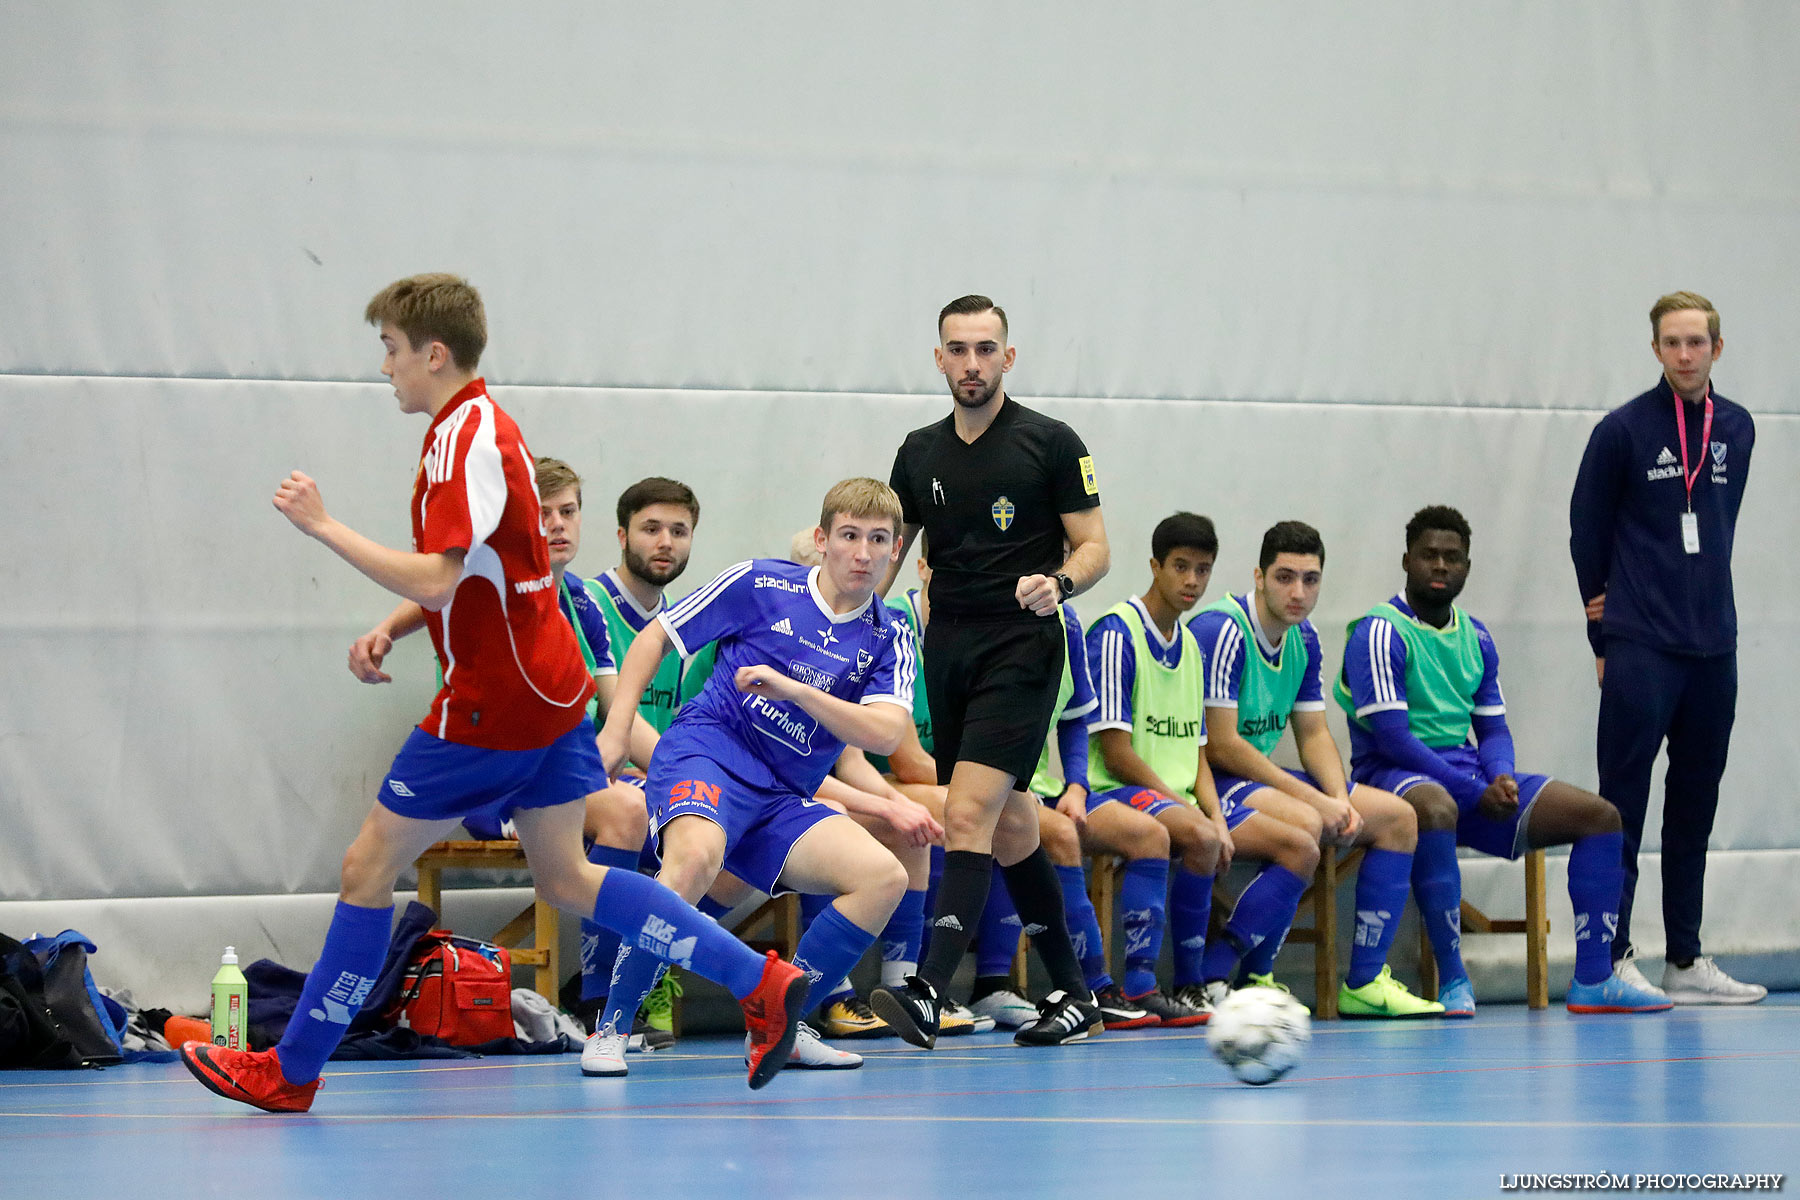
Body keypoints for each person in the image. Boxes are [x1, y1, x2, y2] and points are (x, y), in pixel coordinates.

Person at [179, 274, 805, 1112]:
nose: (386, 369)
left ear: (434, 354)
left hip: (497, 701)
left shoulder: (463, 440)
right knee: (570, 878)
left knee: (366, 869)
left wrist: (323, 526)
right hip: (550, 687)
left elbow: (441, 576)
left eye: (392, 352)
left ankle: (289, 1073)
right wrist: (397, 629)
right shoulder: (476, 428)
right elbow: (486, 571)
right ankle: (759, 981)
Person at [590, 479, 919, 1076]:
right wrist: (617, 730)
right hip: (707, 754)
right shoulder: (761, 583)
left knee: (882, 877)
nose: (863, 554)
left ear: (895, 551)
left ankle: (783, 1026)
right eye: (849, 536)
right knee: (694, 860)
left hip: (784, 794)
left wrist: (795, 690)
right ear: (822, 541)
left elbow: (886, 734)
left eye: (878, 540)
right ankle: (611, 1026)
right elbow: (656, 638)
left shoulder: (889, 636)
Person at [347, 458, 667, 1039]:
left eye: (567, 512)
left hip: (550, 774)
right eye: (541, 514)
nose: (556, 526)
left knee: (641, 807)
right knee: (364, 869)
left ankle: (605, 995)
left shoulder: (581, 603)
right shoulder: (489, 581)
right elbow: (431, 592)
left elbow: (620, 714)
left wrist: (681, 772)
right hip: (484, 778)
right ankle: (610, 997)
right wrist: (384, 634)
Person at [873, 295, 1111, 1049]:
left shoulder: (1050, 442)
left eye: (985, 349)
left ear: (1008, 357)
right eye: (957, 349)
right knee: (1010, 826)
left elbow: (1096, 546)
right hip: (948, 649)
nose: (971, 363)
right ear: (938, 358)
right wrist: (855, 627)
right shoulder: (918, 452)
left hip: (1023, 644)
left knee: (967, 813)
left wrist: (1061, 584)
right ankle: (1077, 997)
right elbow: (892, 551)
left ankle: (925, 989)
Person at [1337, 505, 1670, 1015]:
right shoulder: (1379, 632)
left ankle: (1594, 979)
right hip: (1394, 778)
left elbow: (1492, 728)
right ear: (1406, 560)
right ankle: (1453, 980)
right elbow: (1393, 739)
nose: (1441, 566)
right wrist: (1476, 791)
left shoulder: (1477, 636)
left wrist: (1502, 778)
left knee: (1601, 818)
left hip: (1469, 779)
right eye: (1429, 555)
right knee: (1438, 807)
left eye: (1453, 557)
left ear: (1468, 566)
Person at [1568, 291, 1764, 1005]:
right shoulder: (1621, 431)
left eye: (1697, 342)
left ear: (1717, 347)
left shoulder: (1737, 429)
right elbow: (1586, 533)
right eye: (1672, 343)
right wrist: (1602, 636)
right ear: (1655, 350)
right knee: (1622, 800)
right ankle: (1611, 957)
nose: (1685, 354)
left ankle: (1685, 957)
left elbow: (1716, 526)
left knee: (1696, 800)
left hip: (1713, 644)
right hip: (1640, 641)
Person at [1190, 520, 1440, 1018]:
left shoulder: (1304, 637)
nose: (1298, 592)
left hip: (1256, 777)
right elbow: (1221, 745)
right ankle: (1230, 973)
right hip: (1209, 781)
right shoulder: (1223, 629)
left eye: (1310, 579)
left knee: (1396, 818)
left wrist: (1340, 798)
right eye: (1285, 577)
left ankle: (1364, 983)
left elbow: (1313, 734)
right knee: (1307, 822)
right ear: (1258, 577)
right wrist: (1315, 800)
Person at [1086, 512, 1317, 1012]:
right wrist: (1188, 811)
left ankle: (1215, 971)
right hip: (1115, 792)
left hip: (1181, 798)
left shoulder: (1190, 646)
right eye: (1181, 567)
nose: (1192, 581)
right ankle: (1147, 984)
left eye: (1203, 570)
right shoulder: (1115, 634)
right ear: (1154, 565)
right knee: (1198, 836)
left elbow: (1197, 751)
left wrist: (1212, 812)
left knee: (1302, 846)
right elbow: (1115, 753)